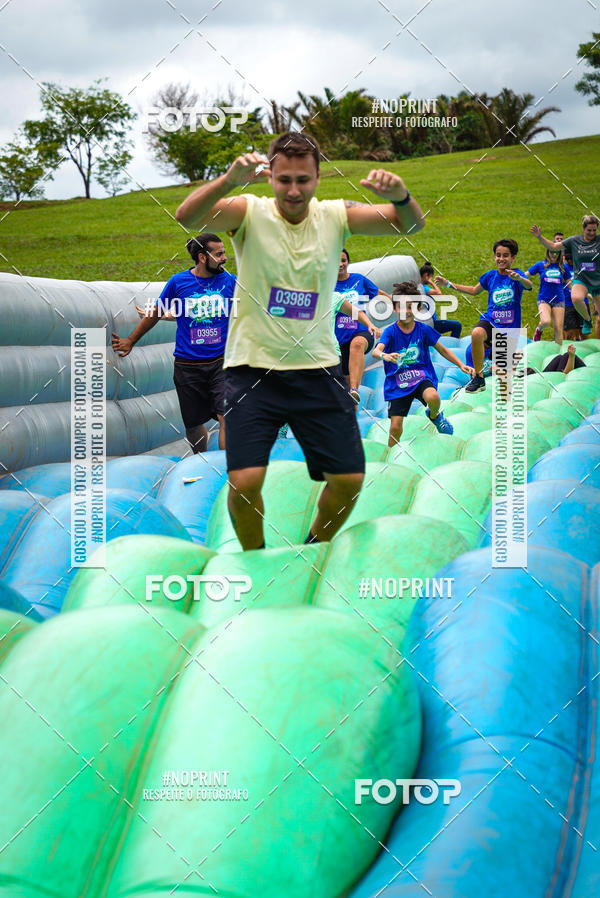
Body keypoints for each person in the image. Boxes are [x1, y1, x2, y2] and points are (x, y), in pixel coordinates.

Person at [174, 131, 425, 550]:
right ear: (270, 175)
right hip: (253, 369)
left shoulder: (335, 216)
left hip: (317, 368)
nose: (294, 190)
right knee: (244, 481)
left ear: (318, 177)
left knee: (348, 480)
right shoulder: (248, 212)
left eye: (303, 180)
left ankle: (313, 547)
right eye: (284, 178)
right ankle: (257, 559)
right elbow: (186, 217)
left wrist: (401, 195)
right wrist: (228, 180)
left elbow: (412, 224)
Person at [111, 233, 235, 452]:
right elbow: (156, 313)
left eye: (224, 252)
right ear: (202, 257)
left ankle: (227, 474)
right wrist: (130, 340)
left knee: (227, 416)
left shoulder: (230, 282)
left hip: (221, 362)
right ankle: (201, 461)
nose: (225, 258)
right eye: (219, 254)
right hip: (188, 366)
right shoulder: (179, 282)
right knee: (194, 424)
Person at [372, 281, 473, 446]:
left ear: (418, 309)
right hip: (398, 384)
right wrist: (384, 355)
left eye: (410, 306)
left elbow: (443, 350)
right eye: (401, 306)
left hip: (420, 377)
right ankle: (391, 454)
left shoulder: (423, 330)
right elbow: (376, 351)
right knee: (395, 427)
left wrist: (460, 365)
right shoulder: (390, 331)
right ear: (395, 308)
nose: (405, 311)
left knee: (433, 398)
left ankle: (434, 416)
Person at [436, 239, 532, 393]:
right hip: (491, 321)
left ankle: (520, 372)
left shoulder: (517, 275)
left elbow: (529, 285)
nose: (501, 259)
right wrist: (448, 284)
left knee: (504, 380)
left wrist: (519, 279)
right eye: (498, 255)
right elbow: (474, 290)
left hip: (508, 330)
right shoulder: (490, 276)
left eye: (505, 255)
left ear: (513, 258)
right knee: (477, 333)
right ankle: (479, 378)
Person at [531, 216, 600, 337]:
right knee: (576, 298)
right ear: (583, 228)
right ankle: (587, 320)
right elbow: (553, 247)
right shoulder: (574, 241)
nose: (592, 233)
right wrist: (539, 237)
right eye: (589, 230)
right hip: (582, 279)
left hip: (597, 280)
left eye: (594, 230)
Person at [333, 248, 386, 402]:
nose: (340, 264)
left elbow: (377, 292)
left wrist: (396, 302)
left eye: (343, 260)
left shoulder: (358, 279)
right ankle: (352, 409)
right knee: (345, 385)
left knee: (356, 344)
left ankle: (355, 389)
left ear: (348, 262)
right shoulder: (327, 285)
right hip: (339, 339)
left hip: (361, 331)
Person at [524, 248, 571, 344]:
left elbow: (570, 284)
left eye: (556, 253)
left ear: (559, 254)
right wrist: (516, 279)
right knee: (545, 321)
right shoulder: (541, 265)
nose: (554, 255)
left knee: (558, 329)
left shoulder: (563, 267)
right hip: (544, 299)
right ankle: (539, 330)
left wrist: (577, 292)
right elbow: (525, 275)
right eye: (552, 252)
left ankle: (559, 354)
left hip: (559, 300)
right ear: (547, 252)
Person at [419, 261, 462, 338]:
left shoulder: (419, 286)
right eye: (431, 277)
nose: (431, 279)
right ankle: (453, 345)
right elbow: (439, 293)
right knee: (457, 325)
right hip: (430, 324)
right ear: (426, 275)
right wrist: (432, 283)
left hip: (428, 322)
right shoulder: (423, 288)